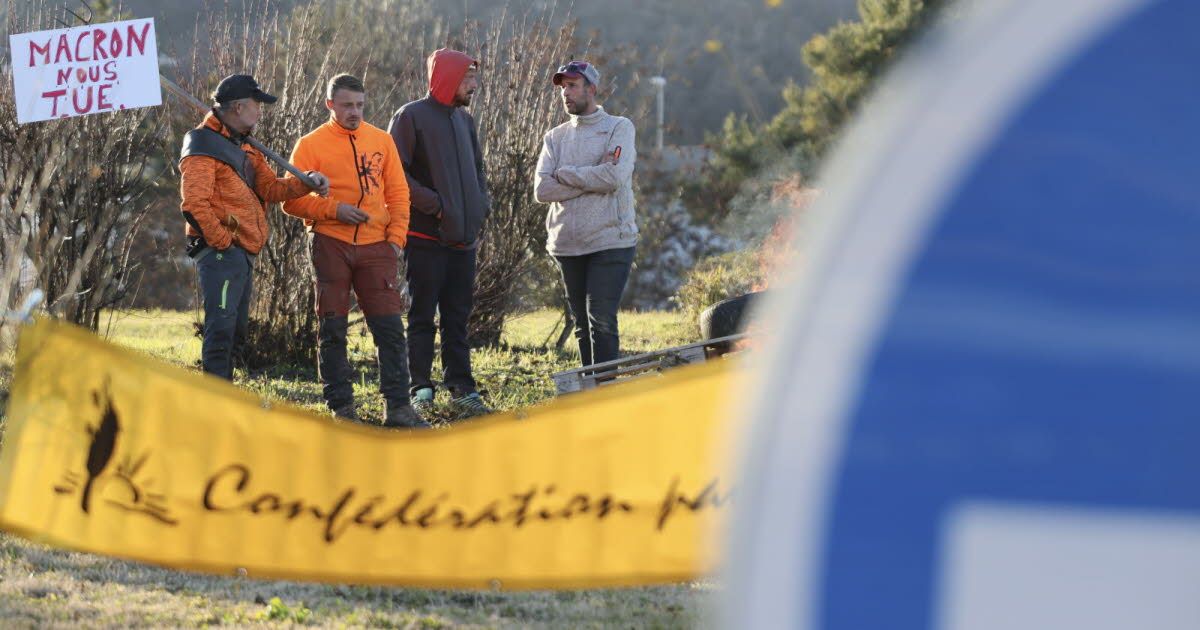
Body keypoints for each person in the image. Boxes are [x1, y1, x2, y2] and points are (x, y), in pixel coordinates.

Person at [283, 74, 425, 428]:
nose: (355, 112)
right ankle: (342, 410)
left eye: (360, 105)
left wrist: (395, 240)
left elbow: (399, 193)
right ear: (330, 104)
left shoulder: (381, 140)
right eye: (347, 105)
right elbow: (291, 201)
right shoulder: (310, 144)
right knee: (332, 328)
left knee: (390, 328)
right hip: (330, 243)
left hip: (378, 246)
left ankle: (398, 407)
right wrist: (334, 210)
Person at [180, 74, 329, 381]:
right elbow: (194, 204)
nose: (260, 111)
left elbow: (270, 188)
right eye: (256, 104)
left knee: (235, 332)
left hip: (241, 254)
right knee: (221, 331)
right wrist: (224, 242)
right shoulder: (202, 145)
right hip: (221, 254)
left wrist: (306, 182)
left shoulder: (245, 145)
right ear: (238, 107)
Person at [387, 49, 492, 420]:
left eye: (474, 78)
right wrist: (436, 205)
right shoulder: (410, 116)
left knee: (457, 317)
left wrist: (480, 206)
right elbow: (394, 174)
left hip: (464, 238)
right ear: (447, 78)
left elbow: (478, 169)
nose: (474, 86)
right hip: (425, 238)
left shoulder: (465, 120)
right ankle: (420, 389)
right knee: (421, 316)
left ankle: (462, 388)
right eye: (468, 78)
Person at [534, 61, 638, 367]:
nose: (565, 93)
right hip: (567, 244)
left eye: (572, 86)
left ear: (591, 89)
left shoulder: (619, 127)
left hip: (611, 240)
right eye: (562, 87)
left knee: (601, 320)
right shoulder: (554, 137)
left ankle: (606, 388)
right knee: (582, 324)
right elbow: (543, 190)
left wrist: (565, 174)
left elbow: (613, 178)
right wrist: (592, 177)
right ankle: (590, 386)